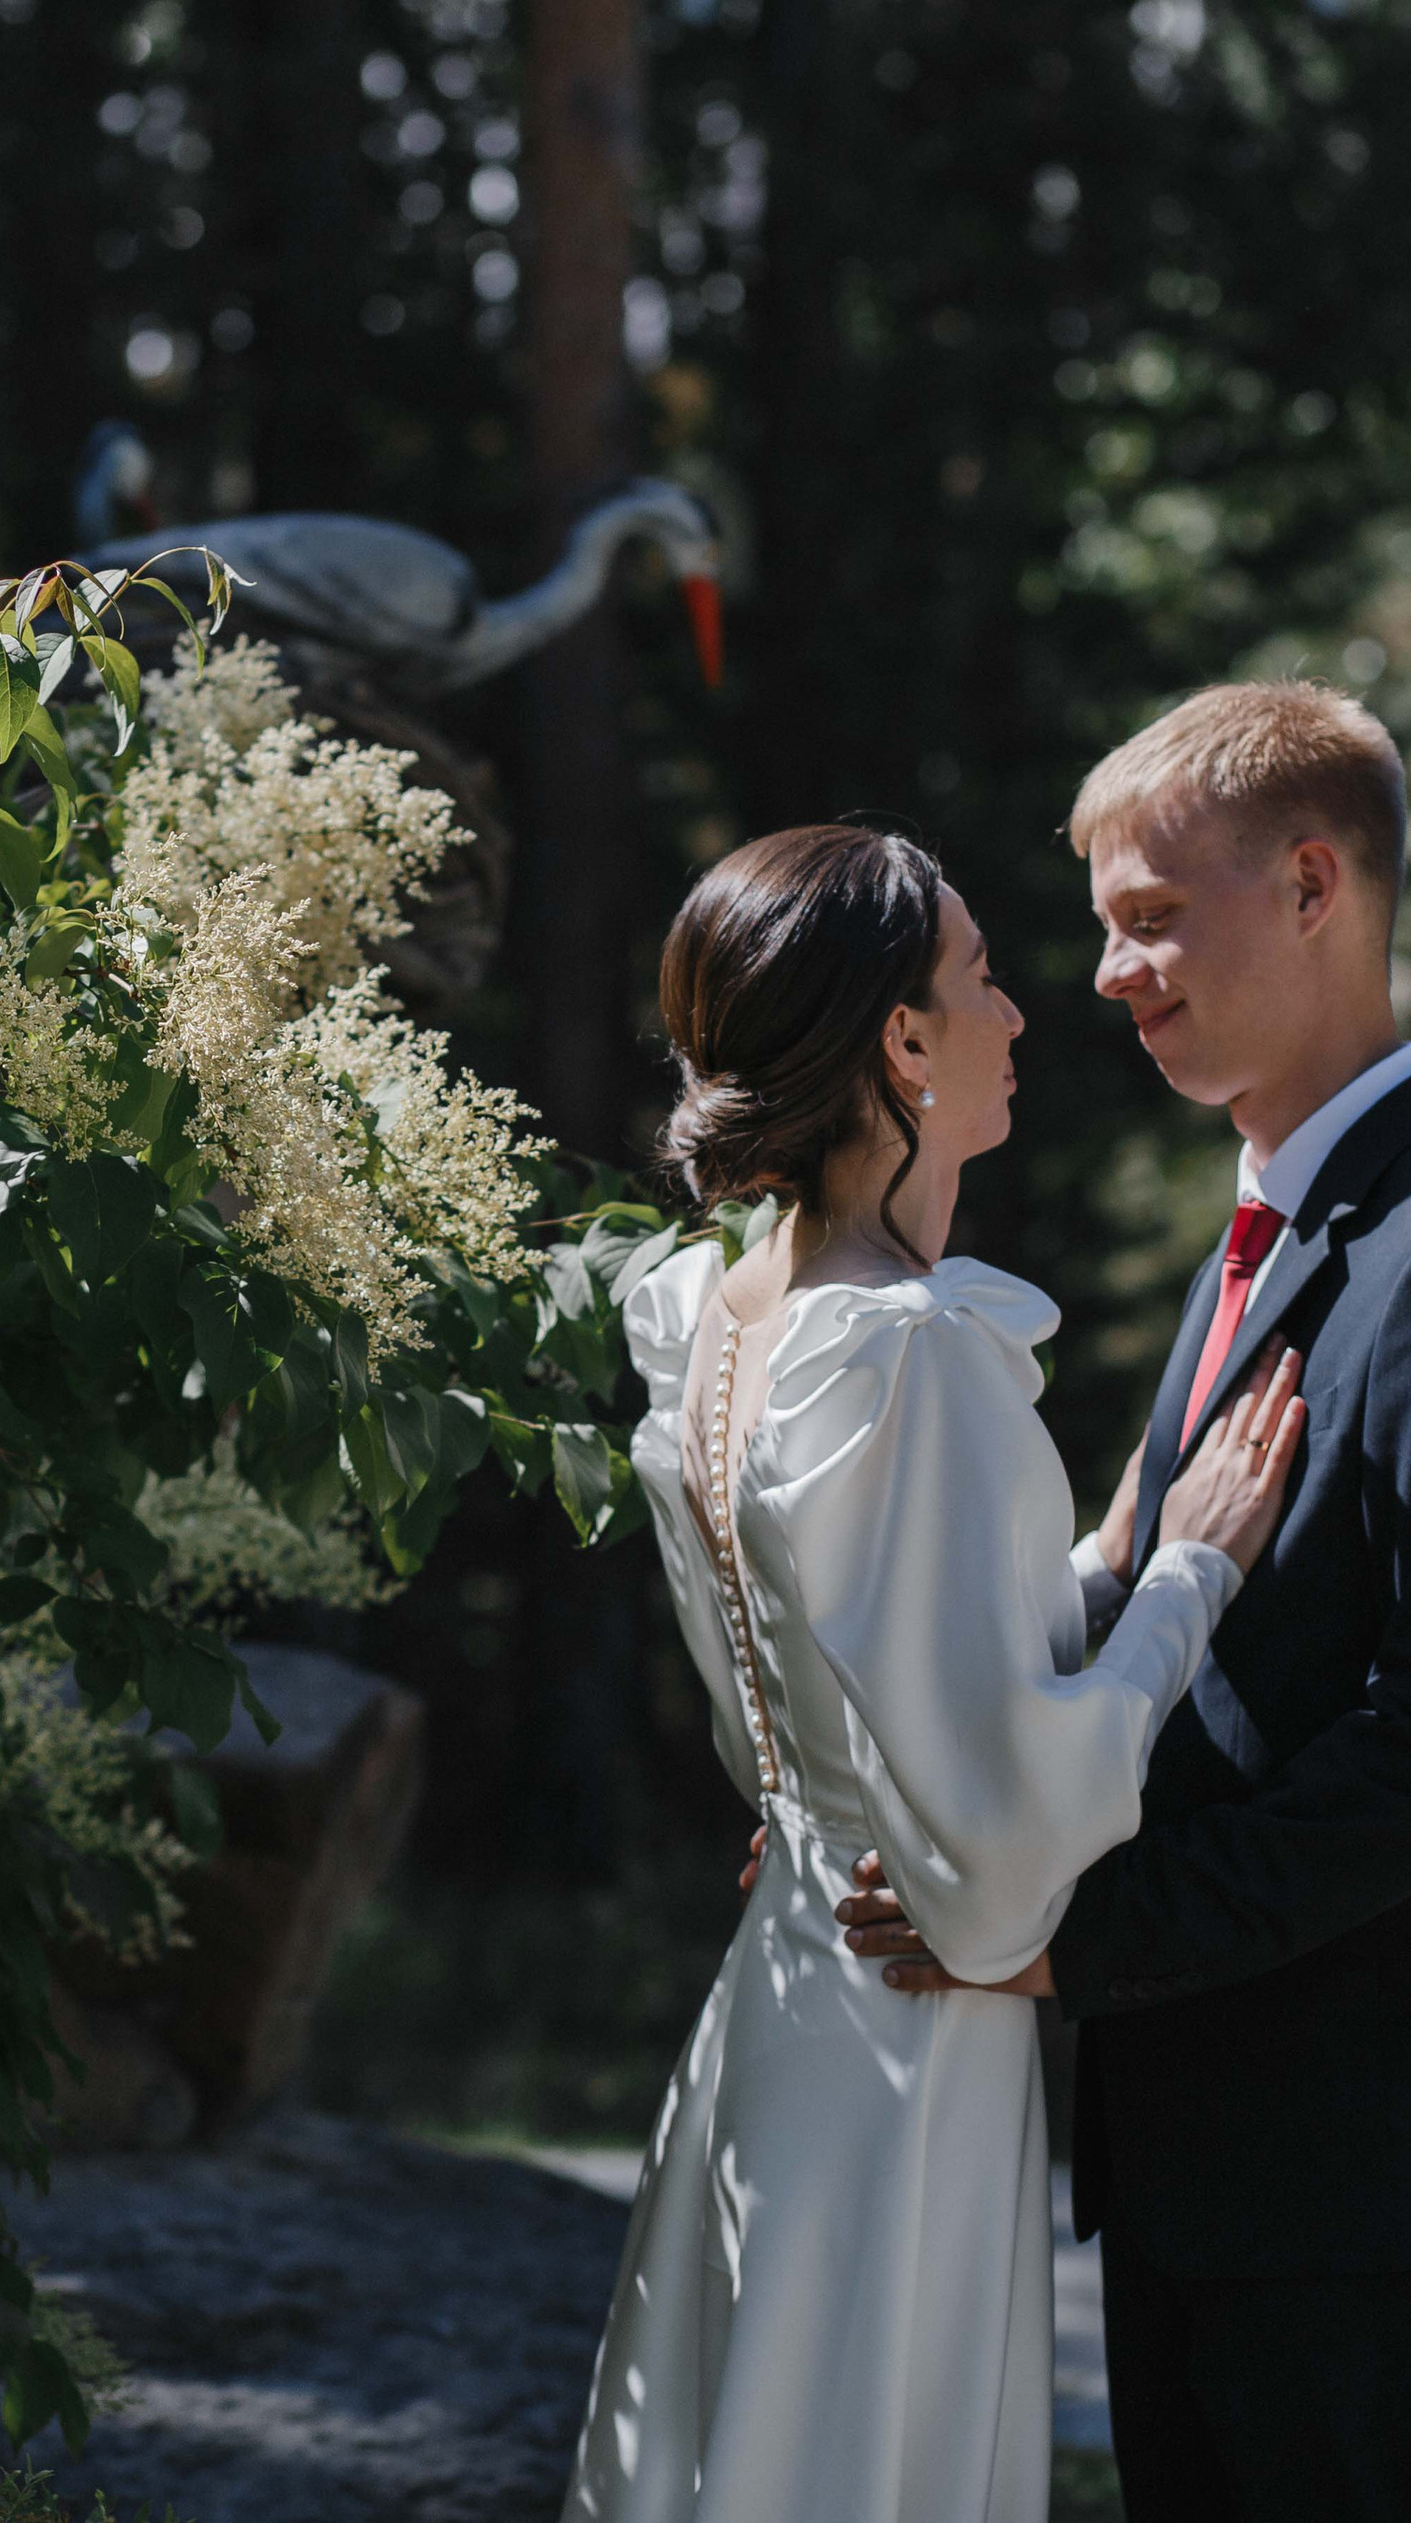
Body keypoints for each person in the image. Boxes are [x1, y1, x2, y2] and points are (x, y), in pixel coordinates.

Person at [561, 822, 1304, 2523]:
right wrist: (1192, 1571)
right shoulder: (904, 1353)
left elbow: (867, 1657)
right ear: (901, 1043)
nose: (1022, 1014)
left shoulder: (721, 1308)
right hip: (906, 2023)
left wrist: (1103, 1565)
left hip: (789, 1979)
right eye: (979, 978)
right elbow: (1010, 1826)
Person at [833, 682, 1411, 2521]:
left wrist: (1074, 1943)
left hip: (1355, 2199)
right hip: (1198, 2171)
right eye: (1097, 928)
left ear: (1314, 885)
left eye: (1150, 916)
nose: (1108, 973)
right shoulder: (1271, 1224)